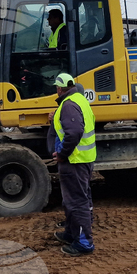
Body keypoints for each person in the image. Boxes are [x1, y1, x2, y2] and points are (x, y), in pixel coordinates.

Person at [47, 73, 96, 256]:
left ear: (59, 88)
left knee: (77, 202)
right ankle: (71, 233)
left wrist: (62, 154)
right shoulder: (79, 99)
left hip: (74, 160)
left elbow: (74, 132)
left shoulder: (68, 105)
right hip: (82, 159)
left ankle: (84, 243)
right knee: (72, 200)